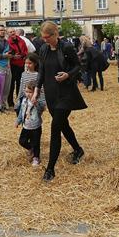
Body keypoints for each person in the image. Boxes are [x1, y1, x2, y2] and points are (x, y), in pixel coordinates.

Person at [33, 21, 86, 182]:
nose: (44, 40)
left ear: (55, 34)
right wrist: (36, 90)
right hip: (51, 94)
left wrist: (68, 75)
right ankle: (78, 150)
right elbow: (41, 71)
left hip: (66, 93)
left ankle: (50, 169)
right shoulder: (43, 49)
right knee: (62, 124)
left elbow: (78, 66)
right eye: (42, 37)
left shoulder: (67, 47)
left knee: (55, 127)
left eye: (47, 37)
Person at [15, 81, 45, 167]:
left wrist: (36, 103)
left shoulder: (38, 102)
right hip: (26, 126)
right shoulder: (24, 100)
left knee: (36, 143)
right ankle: (30, 148)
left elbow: (41, 110)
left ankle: (36, 157)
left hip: (35, 127)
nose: (28, 94)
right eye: (26, 91)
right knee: (22, 141)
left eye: (30, 92)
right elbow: (21, 111)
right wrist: (18, 121)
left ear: (35, 93)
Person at [6, 29, 29, 107]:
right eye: (10, 32)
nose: (12, 33)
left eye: (13, 31)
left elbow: (26, 50)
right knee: (11, 84)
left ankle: (20, 100)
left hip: (21, 64)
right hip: (12, 65)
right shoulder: (8, 42)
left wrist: (23, 56)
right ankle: (10, 102)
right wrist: (13, 56)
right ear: (8, 34)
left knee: (20, 83)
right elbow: (7, 53)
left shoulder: (21, 40)